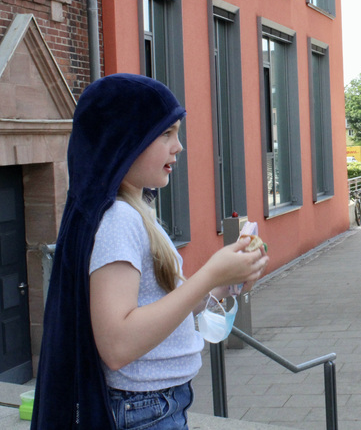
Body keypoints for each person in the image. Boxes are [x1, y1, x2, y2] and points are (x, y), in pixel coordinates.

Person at [32, 74, 269, 429]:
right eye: (165, 134)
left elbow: (152, 304)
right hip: (144, 410)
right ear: (125, 141)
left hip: (153, 405)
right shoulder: (119, 220)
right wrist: (209, 274)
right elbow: (117, 344)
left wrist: (225, 283)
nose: (179, 146)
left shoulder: (131, 212)